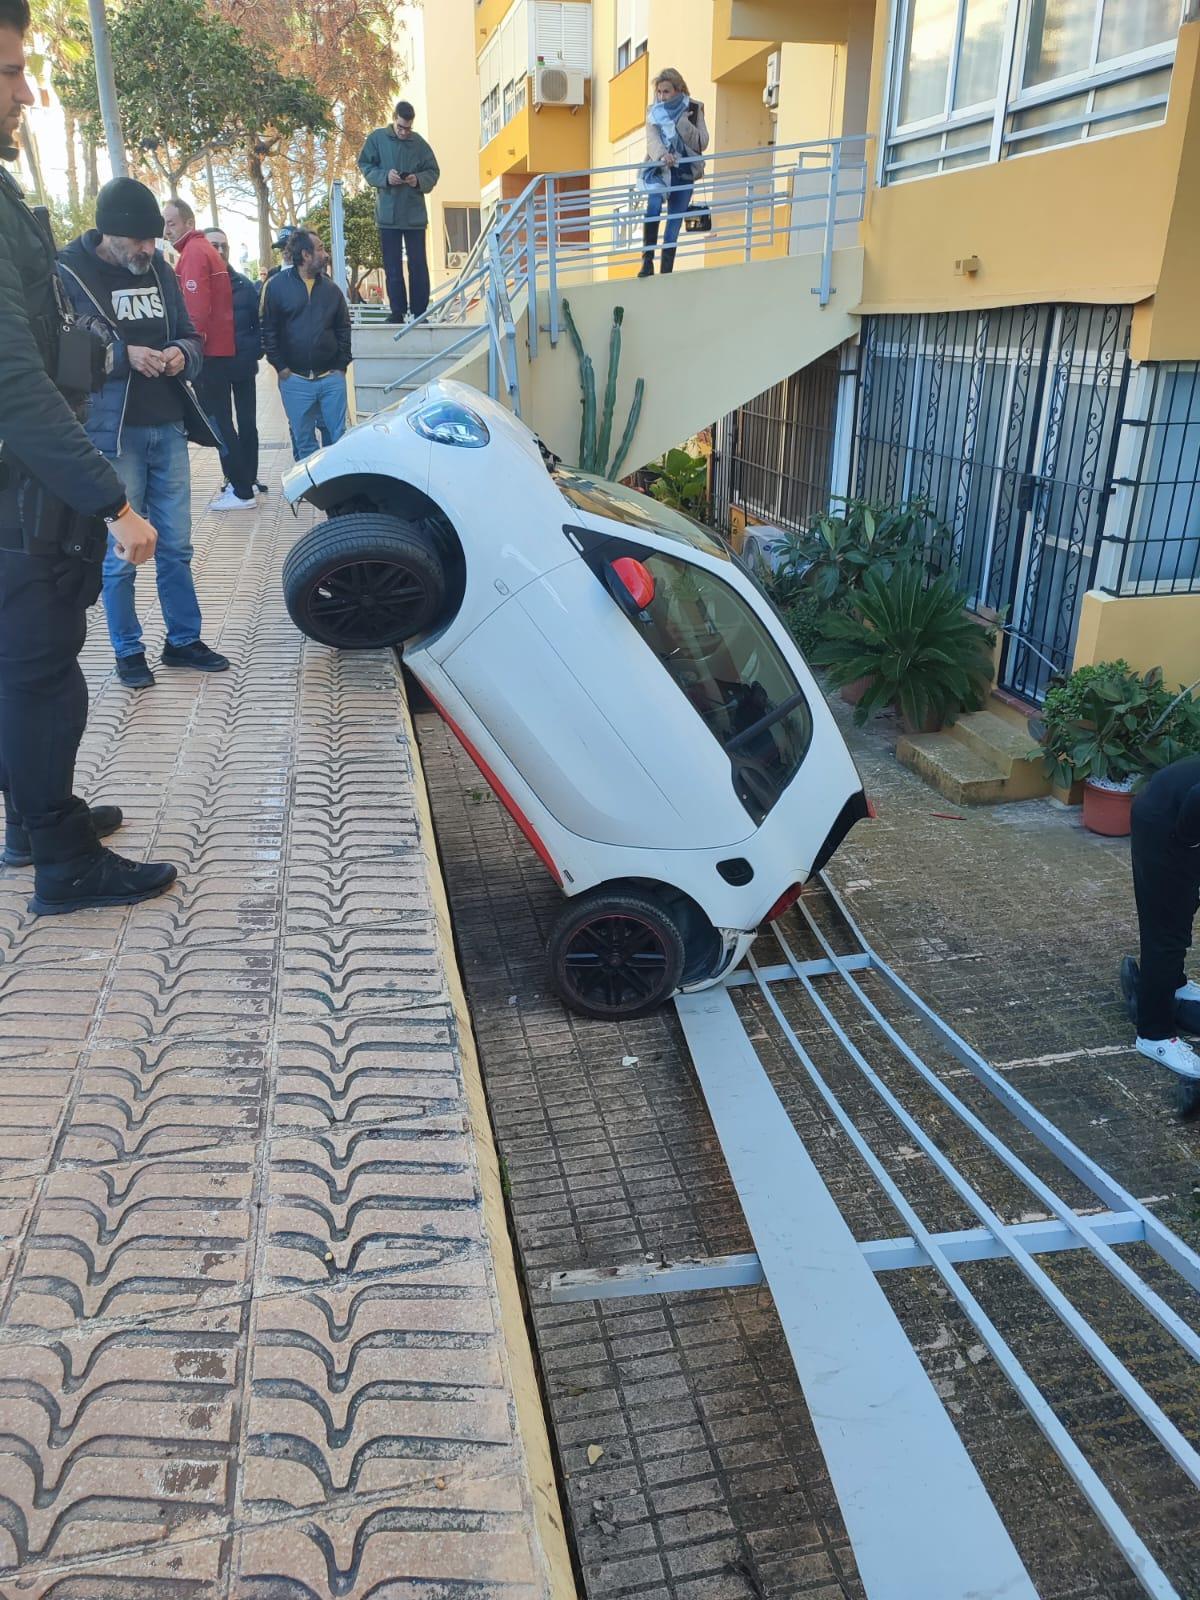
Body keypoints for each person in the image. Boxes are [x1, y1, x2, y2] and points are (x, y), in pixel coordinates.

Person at [0, 0, 177, 914]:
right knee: (44, 679)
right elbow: (15, 389)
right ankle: (62, 864)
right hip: (20, 506)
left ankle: (33, 826)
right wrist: (116, 505)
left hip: (18, 497)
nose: (25, 91)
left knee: (20, 675)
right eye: (8, 72)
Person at [59, 178, 231, 690]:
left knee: (177, 546)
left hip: (169, 425)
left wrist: (182, 353)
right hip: (113, 437)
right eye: (140, 241)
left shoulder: (158, 267)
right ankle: (126, 650)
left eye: (156, 239)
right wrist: (123, 358)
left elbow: (191, 334)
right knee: (123, 552)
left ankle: (182, 641)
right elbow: (66, 358)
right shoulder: (68, 272)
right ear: (109, 234)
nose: (150, 249)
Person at [162, 199, 253, 512]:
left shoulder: (194, 254)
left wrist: (191, 351)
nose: (166, 229)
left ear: (188, 222)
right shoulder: (202, 251)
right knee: (222, 422)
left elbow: (195, 311)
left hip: (208, 354)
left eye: (171, 223)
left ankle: (241, 490)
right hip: (216, 351)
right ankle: (241, 487)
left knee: (219, 424)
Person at [1120, 756, 1200, 1081]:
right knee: (1165, 930)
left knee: (1180, 912)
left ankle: (1175, 985)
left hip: (1179, 812)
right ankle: (1153, 1035)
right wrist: (1189, 850)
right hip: (1167, 824)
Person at [261, 229, 351, 462]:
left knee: (337, 439)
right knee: (304, 441)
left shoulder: (332, 290)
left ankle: (335, 492)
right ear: (305, 255)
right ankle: (312, 492)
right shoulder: (276, 286)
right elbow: (268, 330)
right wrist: (281, 367)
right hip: (295, 380)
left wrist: (341, 366)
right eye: (320, 248)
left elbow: (343, 328)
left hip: (331, 378)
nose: (325, 253)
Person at [357, 100, 440, 324]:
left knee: (419, 266)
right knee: (392, 266)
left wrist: (417, 180)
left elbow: (433, 171)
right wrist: (385, 177)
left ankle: (420, 312)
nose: (404, 132)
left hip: (414, 215)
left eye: (408, 128)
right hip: (388, 215)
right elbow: (365, 165)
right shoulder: (377, 139)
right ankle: (397, 312)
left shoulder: (419, 144)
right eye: (401, 127)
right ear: (394, 119)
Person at [204, 225, 267, 502]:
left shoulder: (243, 284)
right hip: (213, 370)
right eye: (213, 245)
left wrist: (253, 352)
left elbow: (257, 324)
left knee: (247, 424)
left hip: (242, 367)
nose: (219, 250)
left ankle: (249, 478)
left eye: (223, 245)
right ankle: (234, 477)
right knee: (221, 426)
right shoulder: (197, 284)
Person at [639, 69, 709, 279]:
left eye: (666, 91)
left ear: (678, 90)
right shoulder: (653, 112)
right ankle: (647, 262)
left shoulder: (694, 108)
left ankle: (666, 273)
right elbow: (652, 140)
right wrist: (662, 155)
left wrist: (682, 123)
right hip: (660, 171)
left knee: (673, 225)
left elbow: (702, 142)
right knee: (652, 208)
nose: (662, 96)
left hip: (685, 174)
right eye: (659, 92)